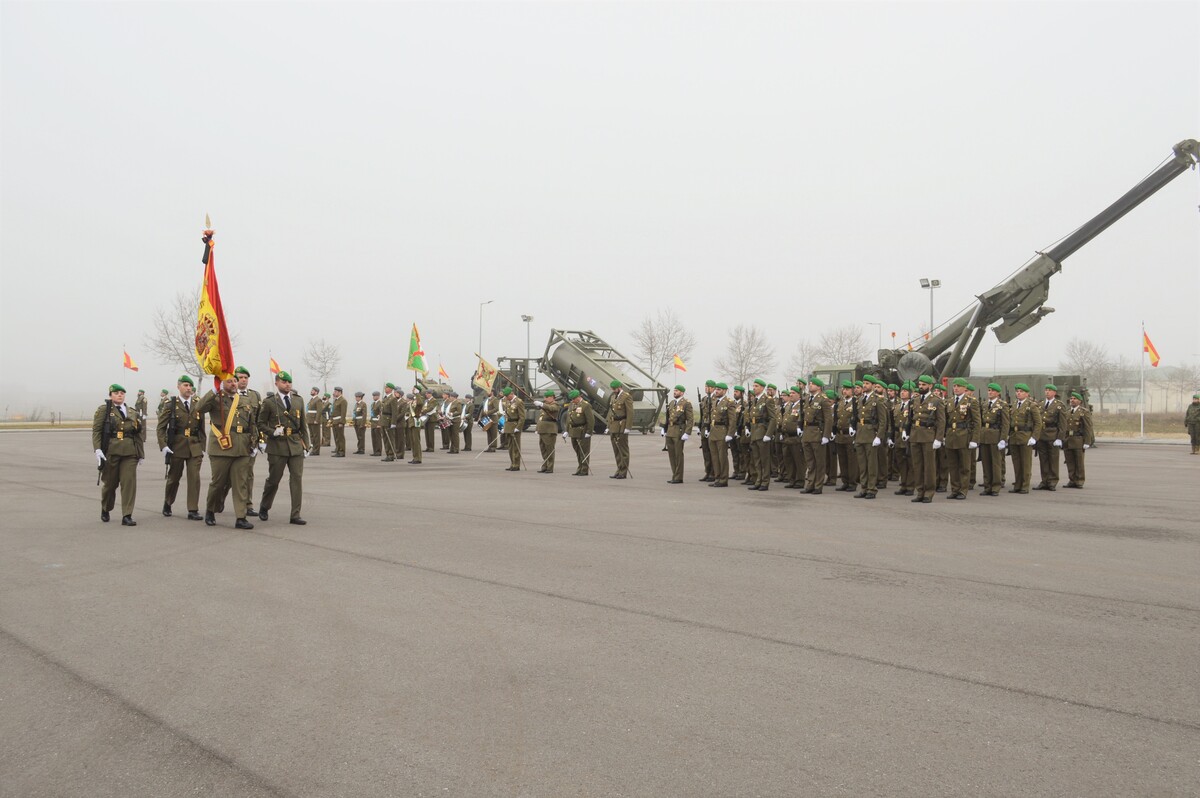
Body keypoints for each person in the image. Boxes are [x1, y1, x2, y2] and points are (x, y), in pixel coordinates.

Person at [195, 374, 257, 529]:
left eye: (235, 381)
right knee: (218, 483)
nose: (234, 384)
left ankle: (240, 517)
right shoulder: (216, 399)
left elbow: (252, 423)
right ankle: (210, 510)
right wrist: (214, 391)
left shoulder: (244, 400)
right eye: (229, 381)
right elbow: (199, 408)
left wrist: (254, 442)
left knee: (240, 483)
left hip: (242, 447)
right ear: (222, 384)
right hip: (221, 448)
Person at [256, 371, 309, 524]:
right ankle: (264, 506)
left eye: (289, 382)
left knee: (296, 479)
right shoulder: (269, 402)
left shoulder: (298, 400)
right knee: (274, 479)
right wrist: (272, 432)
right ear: (277, 383)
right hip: (277, 446)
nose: (288, 385)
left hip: (295, 445)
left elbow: (303, 425)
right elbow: (260, 423)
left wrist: (306, 445)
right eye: (284, 382)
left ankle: (295, 514)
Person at [92, 383, 142, 525]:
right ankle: (105, 508)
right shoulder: (104, 410)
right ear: (110, 395)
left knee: (129, 483)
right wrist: (98, 449)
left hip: (130, 452)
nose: (120, 395)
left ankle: (127, 515)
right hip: (111, 451)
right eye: (116, 393)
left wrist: (140, 453)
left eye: (122, 393)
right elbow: (96, 431)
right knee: (110, 484)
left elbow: (137, 433)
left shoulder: (132, 412)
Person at [158, 375, 205, 520]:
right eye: (185, 385)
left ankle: (192, 509)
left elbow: (202, 426)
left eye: (190, 386)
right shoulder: (171, 404)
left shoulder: (198, 403)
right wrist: (164, 445)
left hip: (194, 445)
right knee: (174, 478)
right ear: (178, 386)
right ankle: (168, 502)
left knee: (194, 478)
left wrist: (202, 446)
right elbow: (161, 427)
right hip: (177, 445)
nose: (188, 388)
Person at [908, 375, 946, 504]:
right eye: (920, 384)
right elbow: (911, 418)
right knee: (917, 466)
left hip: (929, 436)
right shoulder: (915, 399)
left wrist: (938, 439)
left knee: (929, 466)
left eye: (924, 385)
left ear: (930, 386)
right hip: (915, 435)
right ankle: (920, 491)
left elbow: (941, 421)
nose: (921, 387)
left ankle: (929, 493)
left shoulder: (936, 400)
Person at [944, 377, 981, 500]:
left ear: (965, 388)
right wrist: (944, 436)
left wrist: (975, 439)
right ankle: (954, 489)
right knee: (953, 465)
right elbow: (945, 421)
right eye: (954, 386)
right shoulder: (949, 401)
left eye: (958, 386)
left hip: (964, 436)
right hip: (951, 436)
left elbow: (976, 422)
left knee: (964, 466)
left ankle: (963, 490)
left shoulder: (971, 401)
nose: (955, 388)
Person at [852, 376, 887, 499]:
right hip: (860, 433)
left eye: (867, 383)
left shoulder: (877, 400)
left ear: (872, 385)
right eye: (864, 383)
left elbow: (883, 421)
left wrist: (879, 436)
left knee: (871, 464)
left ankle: (872, 489)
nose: (865, 385)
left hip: (871, 434)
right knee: (862, 464)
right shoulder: (860, 399)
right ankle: (864, 488)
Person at [1007, 383, 1042, 494]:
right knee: (1016, 463)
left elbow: (1038, 423)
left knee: (1025, 463)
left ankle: (1025, 486)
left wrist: (1034, 437)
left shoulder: (1031, 405)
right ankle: (1017, 485)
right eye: (1017, 391)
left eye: (1021, 391)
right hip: (1014, 436)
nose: (1018, 393)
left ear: (1027, 393)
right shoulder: (1013, 404)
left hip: (1025, 436)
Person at [801, 377, 833, 494]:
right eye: (809, 384)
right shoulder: (808, 398)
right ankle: (810, 484)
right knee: (810, 462)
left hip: (817, 433)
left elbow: (828, 419)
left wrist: (826, 435)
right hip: (807, 432)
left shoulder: (823, 399)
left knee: (819, 462)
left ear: (819, 387)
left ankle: (818, 485)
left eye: (812, 384)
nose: (810, 386)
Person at [977, 383, 1010, 496]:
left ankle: (995, 487)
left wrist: (1003, 439)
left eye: (992, 391)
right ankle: (987, 486)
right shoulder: (985, 404)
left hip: (995, 436)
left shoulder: (1002, 405)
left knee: (996, 463)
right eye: (989, 390)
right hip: (985, 436)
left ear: (998, 393)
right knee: (986, 463)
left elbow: (1005, 423)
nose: (990, 392)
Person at [1035, 383, 1067, 491]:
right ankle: (1044, 481)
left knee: (1053, 460)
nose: (1047, 392)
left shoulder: (1059, 405)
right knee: (1043, 460)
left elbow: (1062, 423)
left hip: (1053, 434)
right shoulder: (1040, 404)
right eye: (1046, 390)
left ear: (1054, 393)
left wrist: (1060, 438)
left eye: (1049, 390)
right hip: (1041, 435)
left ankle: (1052, 481)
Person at [748, 379, 778, 491]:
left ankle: (765, 482)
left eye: (756, 386)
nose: (754, 388)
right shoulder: (755, 400)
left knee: (764, 459)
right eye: (754, 385)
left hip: (762, 432)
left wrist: (768, 434)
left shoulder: (767, 400)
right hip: (755, 432)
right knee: (756, 459)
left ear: (762, 388)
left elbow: (773, 418)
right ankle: (758, 480)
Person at [1062, 391, 1094, 488]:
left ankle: (1079, 480)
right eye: (1071, 399)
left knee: (1079, 462)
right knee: (1069, 461)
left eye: (1074, 399)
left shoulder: (1084, 412)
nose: (1072, 400)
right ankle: (1072, 480)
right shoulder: (1067, 412)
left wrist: (1087, 442)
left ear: (1079, 401)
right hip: (1068, 440)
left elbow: (1088, 428)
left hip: (1078, 440)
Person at [663, 384, 694, 484]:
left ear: (681, 392)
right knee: (671, 455)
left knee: (678, 455)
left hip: (679, 430)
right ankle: (674, 475)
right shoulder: (672, 403)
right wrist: (664, 428)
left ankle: (679, 477)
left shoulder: (686, 403)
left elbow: (690, 419)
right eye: (674, 390)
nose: (674, 392)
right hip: (670, 430)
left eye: (677, 391)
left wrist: (687, 432)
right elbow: (668, 417)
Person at [707, 382, 736, 487]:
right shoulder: (715, 401)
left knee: (722, 457)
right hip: (714, 431)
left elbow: (732, 420)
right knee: (715, 457)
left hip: (723, 432)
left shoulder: (729, 402)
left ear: (724, 391)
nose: (717, 391)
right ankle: (717, 477)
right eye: (716, 389)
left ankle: (723, 479)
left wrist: (730, 434)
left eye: (719, 389)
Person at [833, 380, 858, 491]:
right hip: (840, 435)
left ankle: (852, 483)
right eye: (844, 389)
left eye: (847, 389)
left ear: (852, 391)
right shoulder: (840, 403)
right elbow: (837, 418)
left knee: (851, 461)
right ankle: (845, 481)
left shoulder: (856, 402)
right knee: (842, 460)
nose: (844, 391)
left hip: (850, 435)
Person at [607, 379, 634, 479]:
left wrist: (628, 427)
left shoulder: (626, 397)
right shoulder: (614, 396)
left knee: (623, 450)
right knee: (616, 450)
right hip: (613, 426)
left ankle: (623, 472)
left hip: (622, 426)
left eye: (615, 389)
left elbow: (630, 413)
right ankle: (618, 469)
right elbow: (611, 412)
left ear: (619, 387)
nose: (613, 390)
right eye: (612, 389)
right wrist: (608, 426)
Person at [780, 386, 805, 488]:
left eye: (793, 393)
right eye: (790, 393)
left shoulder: (801, 406)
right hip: (787, 437)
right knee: (788, 460)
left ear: (799, 395)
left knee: (798, 460)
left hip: (795, 437)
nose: (791, 395)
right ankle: (792, 479)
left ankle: (799, 480)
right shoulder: (789, 406)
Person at [564, 390, 594, 475]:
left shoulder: (585, 405)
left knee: (584, 451)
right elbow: (568, 419)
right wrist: (566, 431)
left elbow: (590, 420)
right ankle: (579, 468)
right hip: (573, 431)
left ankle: (584, 470)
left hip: (582, 431)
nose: (572, 400)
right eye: (572, 399)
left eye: (574, 399)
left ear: (578, 397)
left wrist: (589, 431)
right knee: (577, 451)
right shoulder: (571, 405)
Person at [533, 390, 559, 472]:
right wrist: (537, 429)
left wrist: (542, 404)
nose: (545, 399)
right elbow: (541, 418)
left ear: (552, 397)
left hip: (549, 430)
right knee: (543, 449)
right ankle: (544, 466)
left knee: (549, 449)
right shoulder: (546, 405)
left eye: (547, 397)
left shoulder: (555, 404)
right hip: (542, 430)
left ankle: (550, 467)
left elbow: (552, 408)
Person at [502, 387, 525, 471]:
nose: (506, 398)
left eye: (507, 396)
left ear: (511, 394)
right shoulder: (508, 401)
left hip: (515, 426)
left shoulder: (519, 402)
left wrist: (518, 427)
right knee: (510, 447)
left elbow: (522, 417)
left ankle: (516, 465)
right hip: (508, 426)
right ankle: (512, 463)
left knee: (516, 447)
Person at [697, 380, 715, 481]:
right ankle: (707, 472)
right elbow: (702, 414)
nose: (706, 389)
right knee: (705, 452)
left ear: (713, 388)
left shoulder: (715, 399)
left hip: (712, 428)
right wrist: (700, 427)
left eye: (708, 387)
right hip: (704, 427)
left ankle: (713, 472)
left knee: (712, 452)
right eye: (705, 387)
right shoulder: (704, 399)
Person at [379, 383, 398, 462]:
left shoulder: (393, 398)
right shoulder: (385, 398)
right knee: (385, 439)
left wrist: (393, 423)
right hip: (384, 420)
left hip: (389, 420)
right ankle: (388, 454)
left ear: (390, 389)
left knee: (390, 438)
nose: (385, 388)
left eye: (387, 387)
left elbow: (394, 412)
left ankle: (391, 454)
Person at [327, 387, 347, 457]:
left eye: (335, 392)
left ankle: (342, 452)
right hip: (334, 421)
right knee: (336, 437)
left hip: (339, 421)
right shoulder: (336, 400)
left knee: (340, 437)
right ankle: (338, 451)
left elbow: (343, 413)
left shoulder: (343, 400)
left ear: (339, 392)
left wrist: (341, 422)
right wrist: (331, 420)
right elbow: (333, 412)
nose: (334, 393)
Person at [306, 387, 323, 456]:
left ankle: (316, 450)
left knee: (316, 436)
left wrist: (317, 420)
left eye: (312, 390)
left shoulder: (318, 400)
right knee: (312, 435)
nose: (311, 391)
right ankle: (313, 449)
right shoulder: (312, 399)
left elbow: (319, 411)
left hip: (314, 420)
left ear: (316, 392)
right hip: (310, 419)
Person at [369, 390, 383, 456]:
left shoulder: (380, 404)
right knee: (373, 438)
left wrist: (379, 424)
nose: (374, 397)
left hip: (377, 422)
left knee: (378, 438)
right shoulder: (373, 404)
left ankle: (378, 451)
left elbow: (381, 414)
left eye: (375, 396)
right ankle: (375, 451)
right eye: (373, 396)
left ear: (378, 396)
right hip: (373, 423)